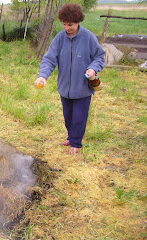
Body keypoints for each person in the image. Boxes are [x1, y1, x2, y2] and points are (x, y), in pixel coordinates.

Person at [34, 3, 105, 155]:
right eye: (64, 24)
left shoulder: (88, 37)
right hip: (65, 88)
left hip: (83, 89)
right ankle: (71, 137)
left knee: (79, 118)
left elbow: (99, 56)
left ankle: (76, 144)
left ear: (78, 21)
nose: (67, 28)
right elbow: (49, 59)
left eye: (70, 25)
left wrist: (93, 68)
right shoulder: (60, 38)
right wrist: (43, 76)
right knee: (68, 118)